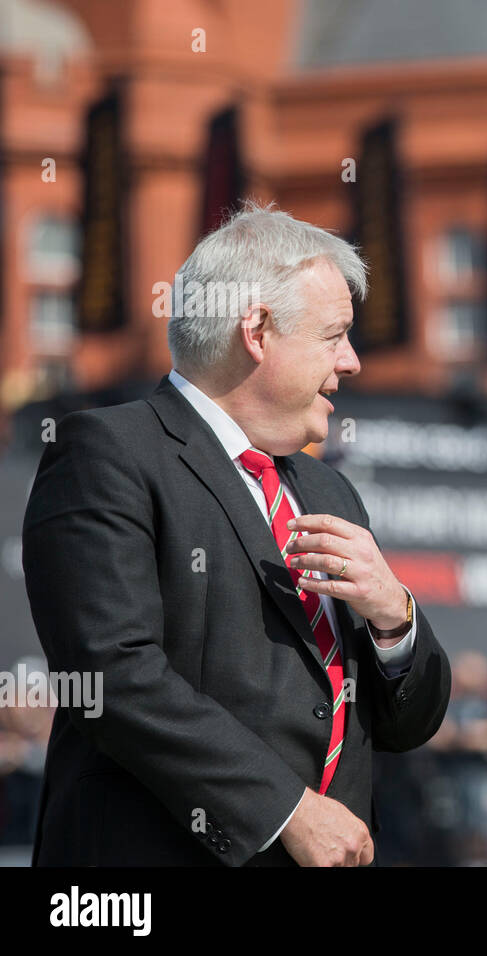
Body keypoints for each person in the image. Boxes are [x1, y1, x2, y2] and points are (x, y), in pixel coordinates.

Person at [22, 203, 451, 866]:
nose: (354, 361)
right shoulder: (108, 454)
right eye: (335, 335)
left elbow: (403, 726)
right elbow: (112, 676)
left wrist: (396, 619)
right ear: (257, 331)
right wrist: (289, 810)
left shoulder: (326, 491)